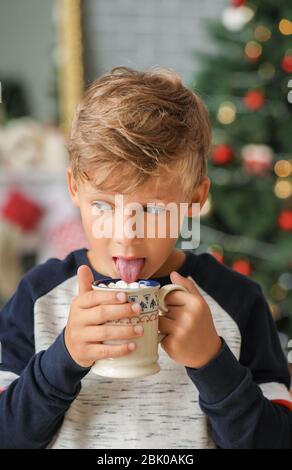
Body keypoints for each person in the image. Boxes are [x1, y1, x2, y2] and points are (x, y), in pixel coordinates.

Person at [0, 67, 291, 449]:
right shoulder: (38, 298)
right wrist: (64, 357)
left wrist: (212, 363)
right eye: (103, 205)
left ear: (195, 199)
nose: (126, 234)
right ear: (74, 187)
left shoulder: (238, 301)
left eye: (153, 210)